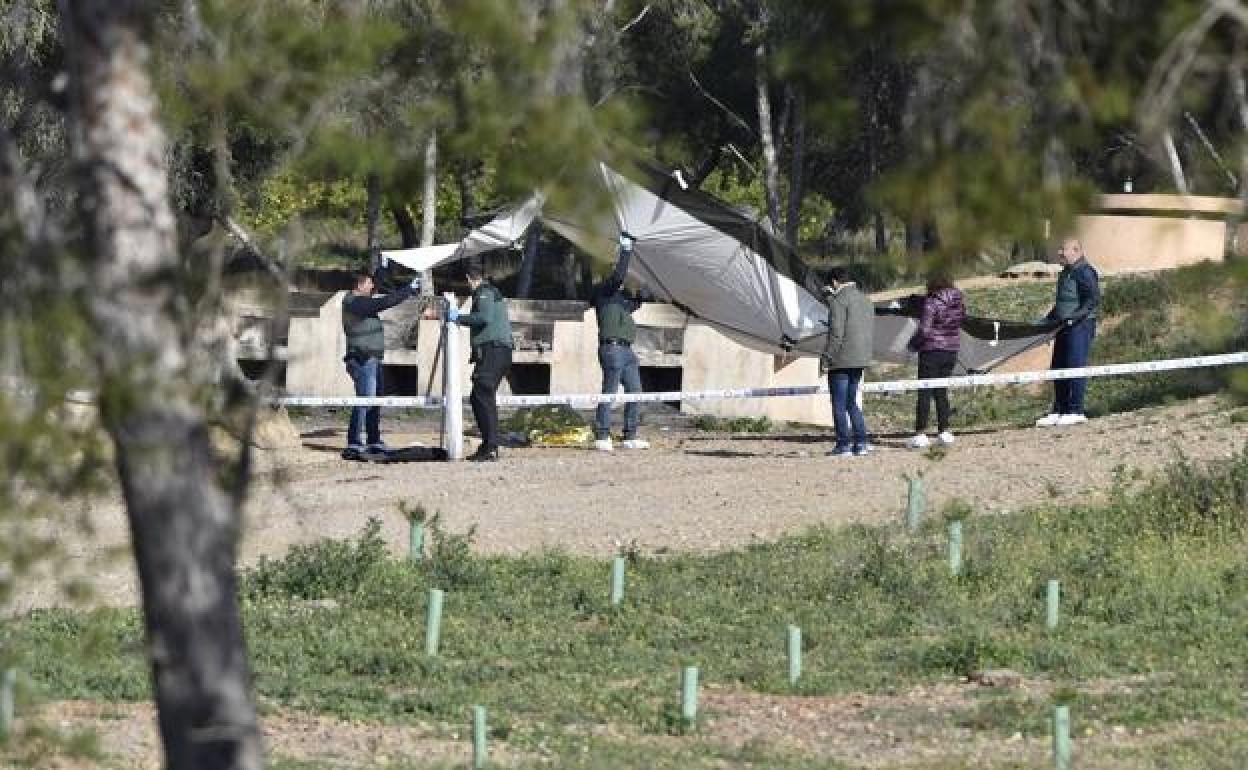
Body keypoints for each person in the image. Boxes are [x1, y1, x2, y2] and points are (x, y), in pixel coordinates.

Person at [341, 260, 420, 459]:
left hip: (373, 358)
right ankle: (354, 442)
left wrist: (384, 268)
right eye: (369, 284)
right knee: (364, 401)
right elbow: (383, 302)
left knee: (374, 401)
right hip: (362, 358)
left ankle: (373, 440)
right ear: (359, 285)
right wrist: (408, 290)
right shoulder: (354, 302)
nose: (373, 287)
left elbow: (377, 285)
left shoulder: (363, 299)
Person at [590, 232, 651, 452]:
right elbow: (618, 276)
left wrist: (643, 294)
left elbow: (640, 301)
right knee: (610, 391)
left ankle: (630, 435)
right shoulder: (602, 294)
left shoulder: (621, 301)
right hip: (612, 349)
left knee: (635, 390)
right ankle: (602, 435)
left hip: (627, 352)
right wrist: (627, 250)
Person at [446, 263, 513, 462]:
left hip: (494, 350)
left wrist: (459, 318)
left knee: (482, 393)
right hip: (494, 352)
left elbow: (484, 317)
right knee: (480, 397)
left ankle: (490, 446)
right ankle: (488, 444)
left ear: (469, 279)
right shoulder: (489, 291)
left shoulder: (485, 292)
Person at [1036, 238, 1100, 427]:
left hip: (1080, 327)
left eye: (1063, 250)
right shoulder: (1066, 273)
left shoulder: (1085, 272)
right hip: (1062, 326)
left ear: (1076, 250)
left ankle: (1076, 410)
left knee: (1075, 366)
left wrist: (1074, 318)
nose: (1059, 253)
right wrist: (1048, 321)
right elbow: (1063, 302)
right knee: (1058, 367)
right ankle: (1059, 410)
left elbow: (1092, 300)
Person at [905, 272, 965, 448]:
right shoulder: (958, 301)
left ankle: (920, 433)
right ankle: (944, 431)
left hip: (931, 351)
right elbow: (960, 321)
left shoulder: (931, 302)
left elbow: (924, 330)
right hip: (951, 350)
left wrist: (912, 344)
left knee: (924, 392)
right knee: (941, 391)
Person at [820, 266, 874, 457]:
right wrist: (830, 299)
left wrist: (826, 358)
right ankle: (861, 443)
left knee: (839, 404)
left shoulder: (838, 301)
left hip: (841, 359)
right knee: (852, 403)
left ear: (835, 282)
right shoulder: (865, 299)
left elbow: (836, 334)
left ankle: (843, 444)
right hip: (861, 358)